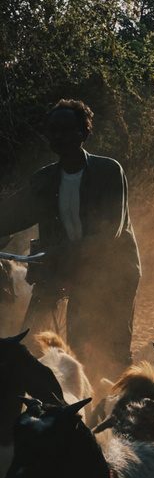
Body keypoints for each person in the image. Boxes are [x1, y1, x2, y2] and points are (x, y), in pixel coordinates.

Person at [0, 99, 141, 384]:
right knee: (39, 336)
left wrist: (60, 252)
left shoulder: (108, 172)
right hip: (68, 268)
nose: (57, 137)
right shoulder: (45, 179)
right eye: (52, 130)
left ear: (84, 133)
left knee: (107, 347)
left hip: (113, 271)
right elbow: (11, 213)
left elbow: (110, 233)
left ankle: (116, 401)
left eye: (65, 129)